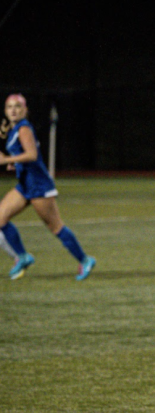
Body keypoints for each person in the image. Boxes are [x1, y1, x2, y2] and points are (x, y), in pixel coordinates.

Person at [0, 94, 95, 281]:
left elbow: (32, 155)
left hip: (39, 186)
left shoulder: (24, 128)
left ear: (25, 110)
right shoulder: (14, 130)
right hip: (25, 184)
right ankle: (23, 257)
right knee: (1, 218)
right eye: (9, 106)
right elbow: (25, 157)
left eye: (18, 106)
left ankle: (85, 260)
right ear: (5, 110)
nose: (13, 110)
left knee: (56, 227)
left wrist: (6, 160)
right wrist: (15, 164)